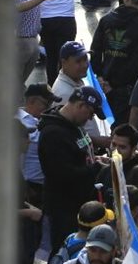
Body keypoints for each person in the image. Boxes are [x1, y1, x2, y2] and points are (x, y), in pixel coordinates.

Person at [37, 85, 107, 254]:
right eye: (90, 113)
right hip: (64, 209)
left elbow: (79, 156)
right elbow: (62, 175)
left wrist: (95, 159)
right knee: (63, 253)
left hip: (79, 204)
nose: (90, 119)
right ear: (81, 106)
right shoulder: (54, 134)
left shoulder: (74, 125)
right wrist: (95, 168)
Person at [90, 0, 138, 124]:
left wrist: (99, 77)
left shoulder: (106, 20)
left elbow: (95, 50)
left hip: (103, 83)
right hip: (128, 89)